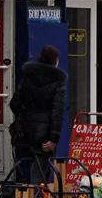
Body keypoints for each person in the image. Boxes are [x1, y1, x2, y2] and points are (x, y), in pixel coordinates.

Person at [9, 46, 67, 185]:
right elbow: (57, 112)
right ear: (56, 61)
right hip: (46, 132)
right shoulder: (58, 81)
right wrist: (53, 138)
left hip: (27, 129)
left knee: (25, 167)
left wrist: (24, 115)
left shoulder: (28, 77)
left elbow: (14, 103)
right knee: (41, 170)